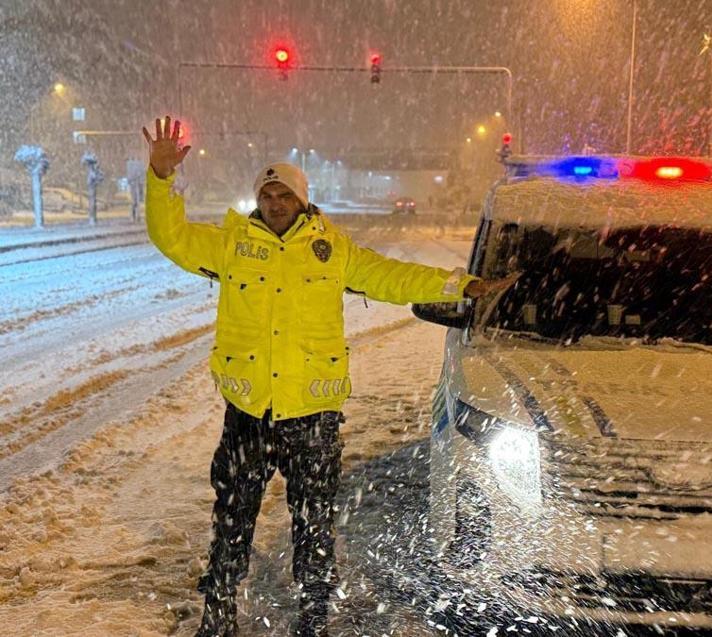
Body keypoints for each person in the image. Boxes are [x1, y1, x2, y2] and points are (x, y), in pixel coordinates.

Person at [141, 117, 514, 637]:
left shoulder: (331, 250)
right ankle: (218, 617)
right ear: (258, 200)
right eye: (267, 195)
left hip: (312, 416)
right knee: (232, 522)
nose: (275, 204)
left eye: (284, 195)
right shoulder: (232, 246)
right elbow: (171, 236)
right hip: (249, 412)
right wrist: (160, 178)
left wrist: (462, 284)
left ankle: (313, 618)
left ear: (302, 200)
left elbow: (391, 275)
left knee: (314, 527)